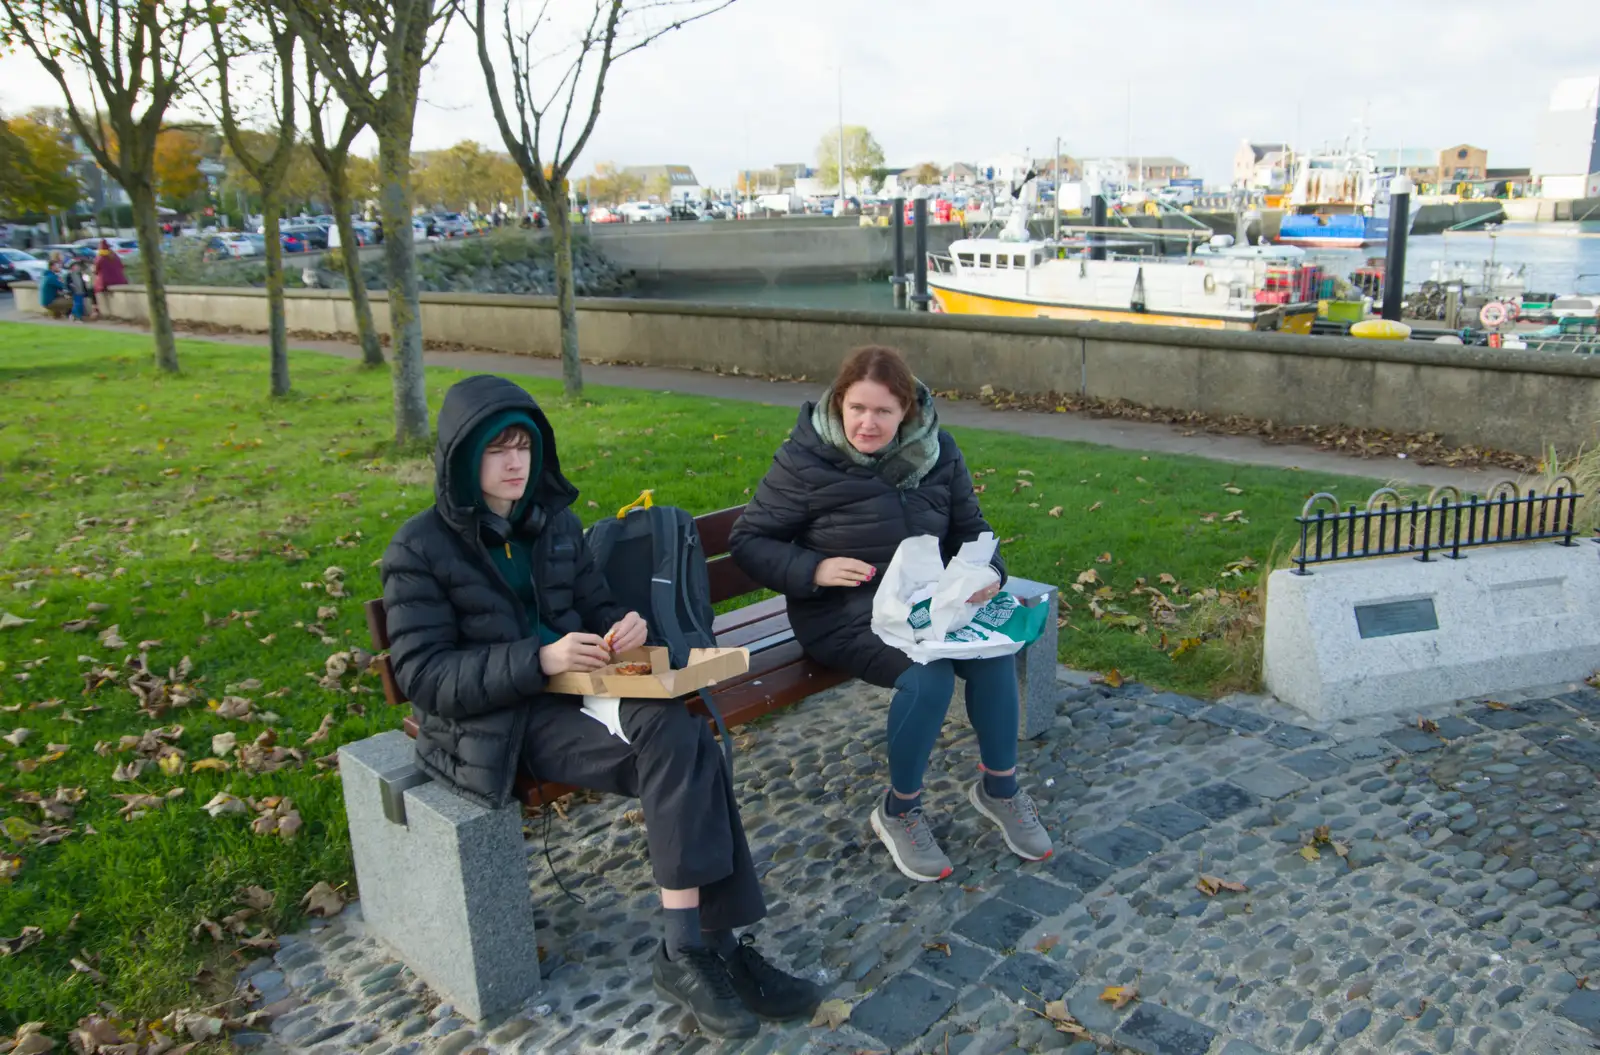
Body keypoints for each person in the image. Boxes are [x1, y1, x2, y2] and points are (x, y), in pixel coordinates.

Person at [380, 375, 819, 1040]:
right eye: (497, 449)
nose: (515, 463)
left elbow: (595, 604)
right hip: (499, 723)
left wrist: (624, 628)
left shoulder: (551, 523)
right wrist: (539, 659)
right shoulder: (419, 548)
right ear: (462, 457)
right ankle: (708, 947)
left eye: (524, 446)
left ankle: (699, 948)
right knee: (686, 750)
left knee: (681, 737)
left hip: (581, 691)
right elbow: (424, 675)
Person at [730, 345, 1053, 883]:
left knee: (994, 656)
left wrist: (989, 572)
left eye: (883, 411)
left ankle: (1000, 789)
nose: (867, 423)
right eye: (856, 408)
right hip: (844, 612)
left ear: (907, 411)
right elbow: (749, 541)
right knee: (930, 679)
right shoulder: (806, 460)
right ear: (839, 403)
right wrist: (814, 568)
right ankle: (899, 810)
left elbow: (972, 529)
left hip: (929, 607)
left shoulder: (938, 452)